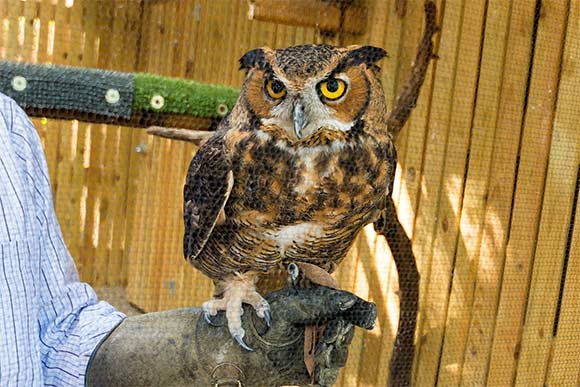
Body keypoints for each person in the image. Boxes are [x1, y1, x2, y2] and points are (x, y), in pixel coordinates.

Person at [0, 91, 375, 387]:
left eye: (330, 89)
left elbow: (57, 330)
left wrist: (200, 354)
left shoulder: (7, 126)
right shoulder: (229, 156)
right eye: (277, 89)